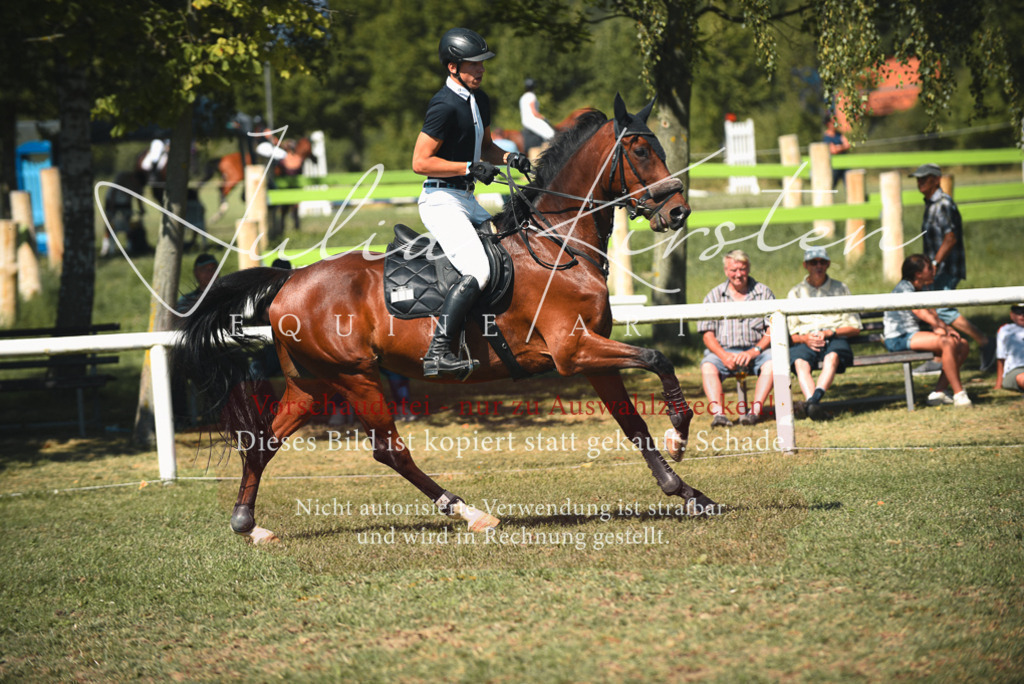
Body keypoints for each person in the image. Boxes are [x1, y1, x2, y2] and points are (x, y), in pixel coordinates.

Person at [411, 27, 532, 379]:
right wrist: (468, 166)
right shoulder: (443, 105)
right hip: (440, 200)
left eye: (482, 64)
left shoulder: (480, 100)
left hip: (466, 197)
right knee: (478, 270)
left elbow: (487, 147)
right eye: (472, 64)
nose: (480, 69)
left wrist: (510, 158)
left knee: (515, 247)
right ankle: (438, 352)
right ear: (452, 67)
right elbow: (420, 161)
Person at [908, 163, 995, 374]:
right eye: (918, 178)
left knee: (943, 309)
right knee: (935, 308)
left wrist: (935, 264)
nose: (920, 182)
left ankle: (985, 342)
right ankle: (940, 357)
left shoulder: (943, 204)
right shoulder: (931, 203)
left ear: (937, 179)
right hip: (937, 267)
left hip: (945, 267)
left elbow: (950, 237)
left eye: (925, 178)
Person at [698, 250, 776, 426]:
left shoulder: (764, 293)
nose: (738, 274)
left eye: (742, 269)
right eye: (734, 270)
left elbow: (773, 328)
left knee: (772, 362)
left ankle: (754, 412)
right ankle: (719, 415)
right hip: (724, 351)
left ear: (748, 268)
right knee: (708, 364)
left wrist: (754, 351)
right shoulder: (714, 296)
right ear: (726, 271)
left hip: (757, 351)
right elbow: (707, 334)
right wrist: (724, 355)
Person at [883, 254, 972, 407]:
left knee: (962, 344)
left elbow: (932, 313)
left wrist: (944, 328)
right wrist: (943, 329)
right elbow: (920, 312)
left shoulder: (922, 288)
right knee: (948, 342)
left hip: (912, 335)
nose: (934, 270)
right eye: (930, 268)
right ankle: (959, 394)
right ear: (918, 274)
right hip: (898, 338)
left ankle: (938, 392)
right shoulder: (904, 289)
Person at [785, 247, 862, 421]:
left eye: (822, 262)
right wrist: (804, 338)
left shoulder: (841, 288)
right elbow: (790, 333)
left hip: (835, 337)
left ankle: (813, 401)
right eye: (813, 262)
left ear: (827, 264)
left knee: (833, 357)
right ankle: (814, 406)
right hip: (806, 339)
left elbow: (854, 326)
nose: (818, 266)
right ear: (806, 265)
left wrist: (830, 332)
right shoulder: (796, 293)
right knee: (799, 362)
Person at [518, 77, 556, 157]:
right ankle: (550, 155)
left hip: (525, 121)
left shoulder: (522, 97)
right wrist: (543, 117)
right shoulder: (532, 96)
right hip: (532, 120)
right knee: (551, 134)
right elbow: (534, 112)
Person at [994, 303, 1024, 393]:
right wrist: (999, 383)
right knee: (1021, 377)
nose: (1022, 315)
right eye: (1018, 312)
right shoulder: (1005, 330)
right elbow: (1001, 358)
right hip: (1015, 370)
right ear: (1012, 314)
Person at [823, 115, 850, 188]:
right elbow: (833, 151)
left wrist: (838, 147)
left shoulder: (839, 134)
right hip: (834, 165)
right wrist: (842, 147)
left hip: (844, 163)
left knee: (849, 184)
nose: (836, 123)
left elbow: (848, 145)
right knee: (831, 186)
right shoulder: (826, 137)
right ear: (828, 123)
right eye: (833, 122)